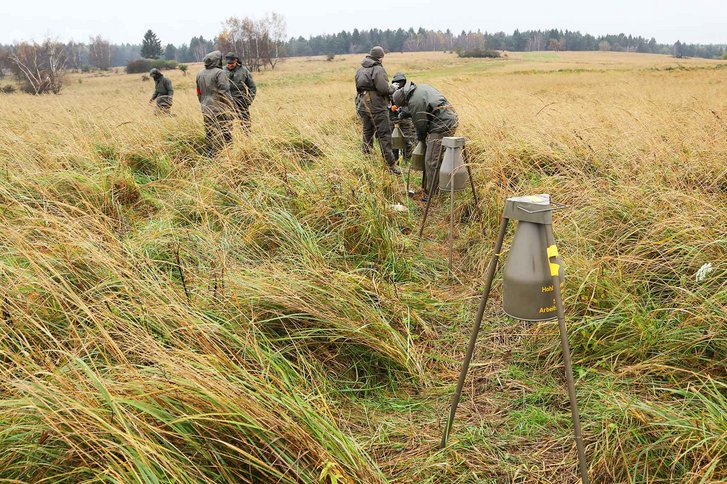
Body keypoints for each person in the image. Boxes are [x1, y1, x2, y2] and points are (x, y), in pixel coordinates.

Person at [392, 81, 458, 200]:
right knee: (436, 157)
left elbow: (420, 125)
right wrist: (407, 113)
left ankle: (434, 194)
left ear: (404, 100)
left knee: (431, 160)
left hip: (441, 125)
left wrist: (421, 140)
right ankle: (435, 187)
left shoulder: (414, 101)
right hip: (448, 119)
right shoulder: (419, 89)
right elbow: (425, 107)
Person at [355, 46, 400, 174]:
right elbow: (383, 89)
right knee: (384, 135)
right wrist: (393, 88)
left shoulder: (361, 69)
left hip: (363, 104)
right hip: (377, 106)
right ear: (380, 57)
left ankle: (367, 160)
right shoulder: (378, 69)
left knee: (367, 133)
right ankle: (390, 165)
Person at [196, 51, 235, 155]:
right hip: (220, 109)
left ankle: (210, 153)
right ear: (217, 60)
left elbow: (199, 92)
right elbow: (225, 91)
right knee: (226, 132)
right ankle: (229, 153)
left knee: (209, 132)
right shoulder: (220, 72)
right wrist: (231, 107)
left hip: (206, 109)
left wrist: (203, 104)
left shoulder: (200, 73)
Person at [224, 52, 257, 132]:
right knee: (226, 127)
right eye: (228, 63)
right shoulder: (222, 71)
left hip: (241, 102)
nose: (230, 65)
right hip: (227, 102)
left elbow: (252, 87)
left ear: (236, 61)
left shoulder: (244, 71)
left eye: (232, 63)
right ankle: (229, 143)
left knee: (246, 126)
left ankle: (247, 141)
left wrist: (248, 100)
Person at [389, 71, 415, 162]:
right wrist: (391, 108)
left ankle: (407, 160)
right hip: (393, 119)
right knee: (393, 142)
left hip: (405, 119)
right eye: (397, 82)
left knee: (407, 140)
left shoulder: (408, 91)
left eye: (401, 82)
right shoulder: (390, 91)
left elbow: (411, 106)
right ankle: (395, 161)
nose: (399, 84)